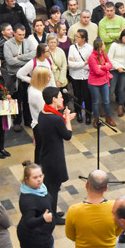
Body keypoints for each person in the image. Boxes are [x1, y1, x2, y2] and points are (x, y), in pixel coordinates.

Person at [65, 170, 121, 248]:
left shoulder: (74, 210)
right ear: (106, 188)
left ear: (86, 185)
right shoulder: (114, 206)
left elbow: (70, 235)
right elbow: (119, 230)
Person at [38, 87, 76, 223]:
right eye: (60, 96)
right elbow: (67, 135)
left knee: (51, 187)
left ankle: (52, 211)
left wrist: (64, 119)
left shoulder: (43, 113)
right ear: (54, 99)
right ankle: (52, 217)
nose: (62, 98)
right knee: (53, 189)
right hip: (55, 158)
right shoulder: (55, 118)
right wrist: (67, 120)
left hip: (46, 154)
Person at [4, 25, 37, 131]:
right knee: (15, 100)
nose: (21, 37)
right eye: (19, 35)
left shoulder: (28, 42)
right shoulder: (7, 44)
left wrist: (19, 57)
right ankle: (16, 122)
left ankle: (28, 120)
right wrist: (26, 62)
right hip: (14, 76)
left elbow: (34, 54)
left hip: (27, 75)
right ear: (14, 33)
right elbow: (10, 61)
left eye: (23, 35)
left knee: (28, 99)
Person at [68, 28, 93, 125]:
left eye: (78, 37)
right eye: (76, 36)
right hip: (75, 76)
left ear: (83, 39)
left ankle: (88, 114)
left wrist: (77, 63)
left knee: (87, 96)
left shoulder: (89, 48)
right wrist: (83, 63)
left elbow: (91, 65)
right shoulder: (72, 48)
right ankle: (78, 112)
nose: (75, 38)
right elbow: (71, 64)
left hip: (86, 76)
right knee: (77, 95)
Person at [88, 38, 115, 128]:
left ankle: (108, 117)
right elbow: (97, 72)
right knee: (96, 102)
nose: (105, 46)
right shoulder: (92, 57)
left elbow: (110, 65)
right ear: (99, 46)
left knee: (106, 101)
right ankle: (96, 119)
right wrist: (105, 67)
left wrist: (101, 66)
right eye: (103, 44)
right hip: (94, 83)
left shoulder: (104, 54)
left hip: (104, 81)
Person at [108, 29, 125, 117]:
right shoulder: (114, 45)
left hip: (124, 69)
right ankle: (106, 106)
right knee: (111, 89)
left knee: (122, 89)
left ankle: (121, 106)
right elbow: (109, 58)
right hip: (114, 69)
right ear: (121, 36)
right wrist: (117, 67)